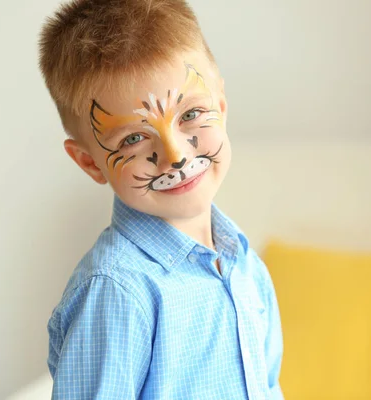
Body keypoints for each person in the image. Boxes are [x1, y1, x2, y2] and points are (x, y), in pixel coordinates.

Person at [38, 0, 283, 398]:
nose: (176, 155)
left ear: (220, 106)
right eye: (133, 138)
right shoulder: (116, 292)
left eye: (190, 114)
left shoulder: (244, 264)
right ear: (90, 162)